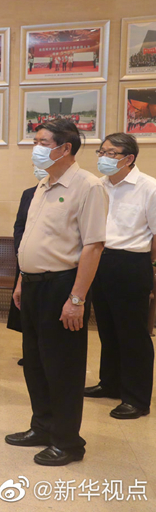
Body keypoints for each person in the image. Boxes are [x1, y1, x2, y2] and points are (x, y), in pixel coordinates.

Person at [8, 119, 107, 466]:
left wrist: (77, 299)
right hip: (33, 285)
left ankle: (67, 442)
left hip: (63, 286)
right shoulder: (43, 184)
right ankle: (43, 426)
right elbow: (33, 236)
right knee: (35, 363)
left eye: (42, 142)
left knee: (62, 367)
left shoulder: (88, 186)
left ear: (65, 148)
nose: (35, 148)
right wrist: (22, 280)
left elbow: (93, 246)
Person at [85, 133, 155, 420]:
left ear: (129, 158)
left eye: (111, 153)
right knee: (107, 329)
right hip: (100, 261)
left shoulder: (148, 187)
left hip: (131, 264)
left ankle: (137, 399)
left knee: (133, 334)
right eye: (101, 151)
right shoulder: (98, 185)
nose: (104, 157)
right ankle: (110, 383)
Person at [7, 167, 49, 356]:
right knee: (26, 308)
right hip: (26, 259)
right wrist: (21, 249)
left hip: (50, 262)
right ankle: (30, 353)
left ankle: (44, 352)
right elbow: (19, 225)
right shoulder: (28, 194)